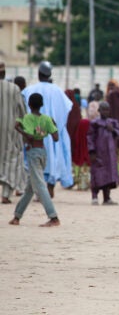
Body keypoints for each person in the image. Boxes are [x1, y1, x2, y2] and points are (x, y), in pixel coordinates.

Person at [22, 61, 74, 198]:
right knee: (53, 161)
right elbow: (66, 110)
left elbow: (22, 110)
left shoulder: (30, 90)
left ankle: (39, 192)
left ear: (38, 74)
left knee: (34, 164)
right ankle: (49, 190)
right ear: (50, 74)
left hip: (33, 135)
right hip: (52, 134)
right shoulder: (57, 91)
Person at [9, 93, 61, 227]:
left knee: (40, 185)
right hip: (43, 153)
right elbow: (56, 138)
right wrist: (52, 124)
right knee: (30, 188)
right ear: (41, 105)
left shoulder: (28, 118)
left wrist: (20, 131)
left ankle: (53, 217)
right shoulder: (46, 119)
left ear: (29, 105)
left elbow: (29, 136)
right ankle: (17, 216)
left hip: (33, 153)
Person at [0, 61, 27, 204]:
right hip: (10, 130)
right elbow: (22, 112)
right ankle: (5, 194)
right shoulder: (14, 89)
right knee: (11, 160)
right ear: (4, 73)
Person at [87, 102, 119, 205]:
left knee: (108, 176)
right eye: (103, 109)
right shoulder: (95, 123)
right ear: (99, 111)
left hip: (110, 154)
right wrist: (91, 151)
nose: (105, 112)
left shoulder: (113, 122)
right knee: (97, 174)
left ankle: (107, 198)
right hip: (98, 153)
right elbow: (90, 138)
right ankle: (94, 196)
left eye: (107, 110)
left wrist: (113, 129)